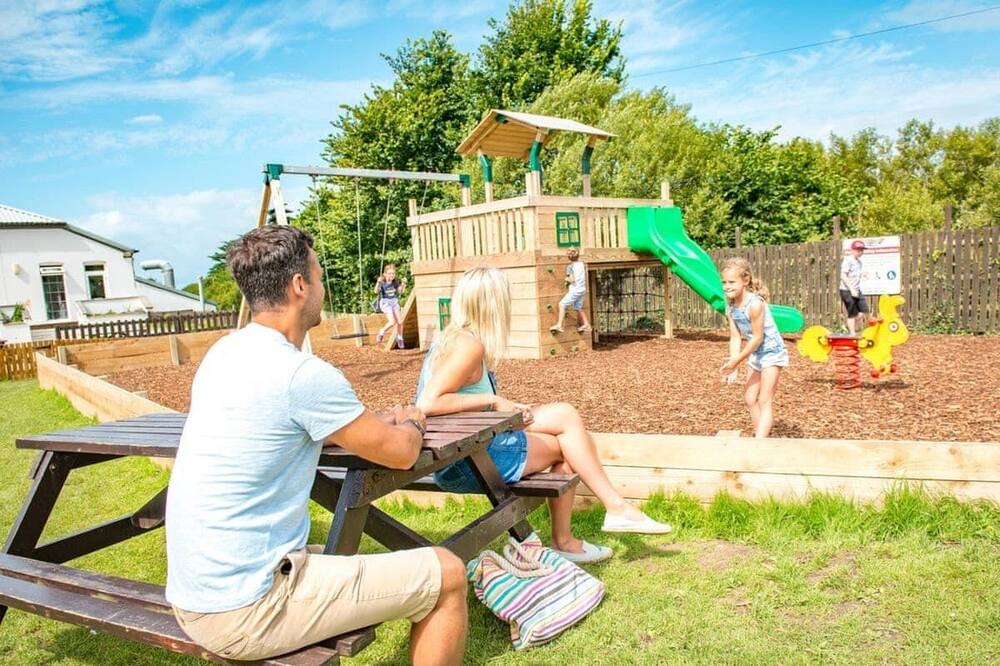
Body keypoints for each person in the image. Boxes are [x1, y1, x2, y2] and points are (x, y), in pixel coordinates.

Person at [165, 226, 467, 665]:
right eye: (320, 276)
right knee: (448, 572)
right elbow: (402, 453)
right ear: (299, 285)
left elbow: (285, 421)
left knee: (354, 558)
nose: (323, 288)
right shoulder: (301, 375)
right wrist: (414, 422)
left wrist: (377, 421)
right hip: (248, 609)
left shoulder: (224, 355)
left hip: (195, 594)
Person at [416, 267, 672, 565]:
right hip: (465, 461)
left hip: (470, 448)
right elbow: (428, 403)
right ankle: (593, 523)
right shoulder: (468, 346)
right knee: (568, 447)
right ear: (495, 304)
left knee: (565, 416)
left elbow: (463, 403)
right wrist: (495, 401)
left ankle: (607, 514)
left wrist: (506, 408)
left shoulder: (457, 339)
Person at [719, 257, 789, 439]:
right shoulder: (731, 307)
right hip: (756, 353)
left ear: (746, 280)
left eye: (731, 282)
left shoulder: (756, 304)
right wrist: (732, 364)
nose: (727, 286)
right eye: (724, 282)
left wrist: (737, 360)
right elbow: (735, 337)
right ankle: (760, 436)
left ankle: (759, 443)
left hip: (772, 351)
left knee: (764, 399)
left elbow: (757, 338)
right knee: (750, 398)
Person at [549, 247, 592, 334]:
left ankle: (559, 325)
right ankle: (586, 324)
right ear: (578, 255)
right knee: (578, 307)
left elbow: (572, 280)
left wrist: (566, 278)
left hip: (575, 290)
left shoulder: (570, 267)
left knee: (562, 304)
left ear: (568, 256)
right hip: (582, 289)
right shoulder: (581, 264)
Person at [840, 239, 869, 335]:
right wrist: (851, 288)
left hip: (857, 290)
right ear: (852, 250)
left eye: (862, 250)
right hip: (846, 290)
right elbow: (843, 275)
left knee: (864, 311)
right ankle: (853, 334)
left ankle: (847, 325)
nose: (861, 252)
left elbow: (855, 274)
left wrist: (863, 274)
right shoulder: (848, 260)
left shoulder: (859, 262)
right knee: (852, 313)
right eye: (858, 250)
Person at [375, 263, 408, 349]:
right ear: (385, 274)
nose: (391, 275)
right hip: (386, 303)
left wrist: (403, 284)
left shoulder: (395, 283)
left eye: (393, 273)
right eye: (389, 273)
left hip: (394, 302)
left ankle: (400, 338)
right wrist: (378, 283)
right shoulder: (382, 282)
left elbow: (400, 291)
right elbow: (376, 291)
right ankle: (382, 331)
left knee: (400, 322)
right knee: (392, 322)